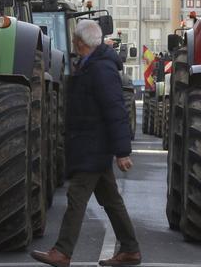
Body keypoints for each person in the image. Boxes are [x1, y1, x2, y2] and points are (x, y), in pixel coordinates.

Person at [31, 20, 141, 267]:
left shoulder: (100, 69)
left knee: (77, 197)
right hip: (90, 145)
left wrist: (123, 152)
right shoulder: (92, 66)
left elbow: (115, 109)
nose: (73, 43)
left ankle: (62, 251)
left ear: (79, 43)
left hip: (93, 145)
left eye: (73, 40)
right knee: (111, 201)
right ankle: (131, 250)